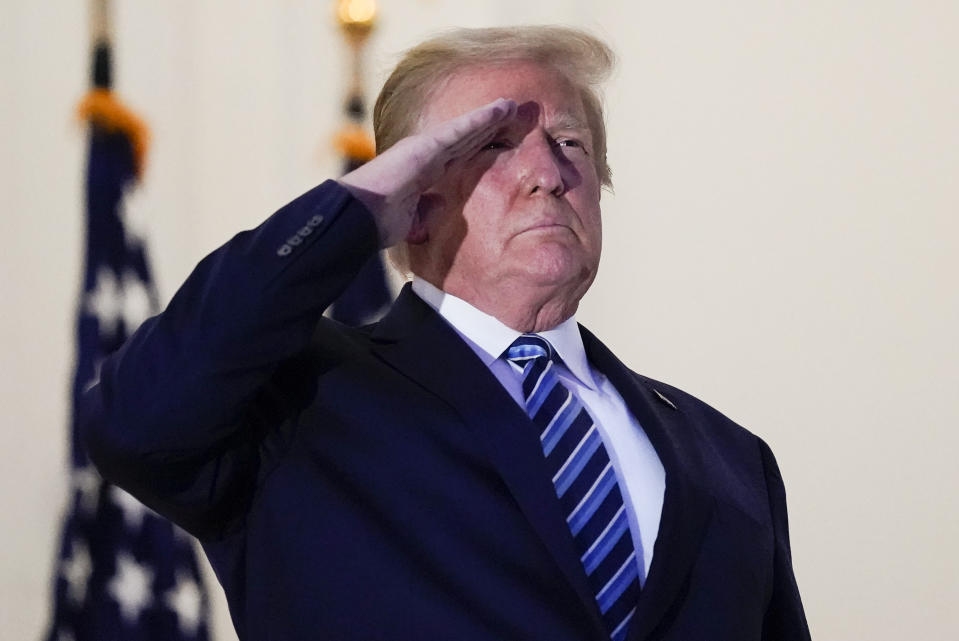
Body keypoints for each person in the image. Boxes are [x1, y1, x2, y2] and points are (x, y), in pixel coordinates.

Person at [83, 26, 810, 641]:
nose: (548, 173)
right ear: (410, 194)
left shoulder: (730, 457)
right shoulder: (296, 404)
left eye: (569, 142)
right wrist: (351, 214)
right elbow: (135, 423)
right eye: (493, 143)